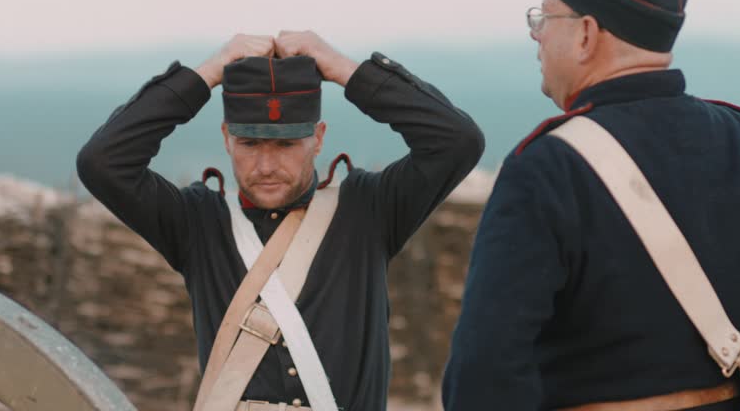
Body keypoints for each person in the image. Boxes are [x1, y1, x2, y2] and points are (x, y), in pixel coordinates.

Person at [442, 0, 740, 410]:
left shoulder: (547, 169)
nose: (537, 34)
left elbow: (484, 378)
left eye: (544, 17)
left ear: (586, 34)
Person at [77, 31, 484, 410]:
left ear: (319, 138)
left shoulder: (370, 210)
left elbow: (456, 140)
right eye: (250, 143)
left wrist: (341, 68)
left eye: (287, 144)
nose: (267, 165)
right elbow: (103, 162)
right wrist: (209, 72)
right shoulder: (197, 224)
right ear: (226, 138)